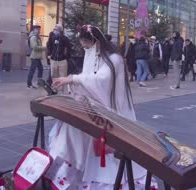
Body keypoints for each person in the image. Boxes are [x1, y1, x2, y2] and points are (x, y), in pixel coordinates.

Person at [49, 24, 157, 189]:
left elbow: (101, 81)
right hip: (96, 106)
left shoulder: (115, 59)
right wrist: (75, 85)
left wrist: (72, 79)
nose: (87, 50)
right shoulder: (96, 55)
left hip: (113, 110)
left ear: (96, 42)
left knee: (96, 141)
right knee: (70, 128)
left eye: (87, 46)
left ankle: (95, 176)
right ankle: (70, 169)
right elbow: (90, 78)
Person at [47, 24, 71, 91]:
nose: (54, 31)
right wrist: (49, 55)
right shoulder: (53, 38)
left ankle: (62, 91)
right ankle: (55, 89)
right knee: (53, 75)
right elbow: (49, 46)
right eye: (54, 29)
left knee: (62, 76)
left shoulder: (65, 39)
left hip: (62, 61)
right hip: (54, 60)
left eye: (56, 29)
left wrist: (66, 57)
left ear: (60, 30)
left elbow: (69, 49)